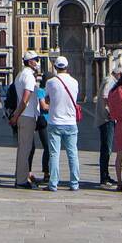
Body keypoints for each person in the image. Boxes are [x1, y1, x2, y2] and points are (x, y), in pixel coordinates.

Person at [41, 57, 81, 192]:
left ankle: (53, 184)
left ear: (55, 67)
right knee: (73, 154)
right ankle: (74, 183)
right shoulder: (75, 82)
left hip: (55, 122)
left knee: (54, 154)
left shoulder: (51, 82)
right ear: (67, 67)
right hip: (70, 122)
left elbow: (47, 98)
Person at [10, 52, 43, 188]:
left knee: (23, 148)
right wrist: (15, 116)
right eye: (36, 60)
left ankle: (20, 176)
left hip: (24, 116)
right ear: (30, 62)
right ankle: (21, 181)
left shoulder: (20, 75)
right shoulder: (29, 76)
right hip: (26, 116)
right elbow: (24, 100)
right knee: (25, 149)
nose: (38, 62)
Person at [96, 66, 122, 188]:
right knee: (107, 148)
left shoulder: (108, 79)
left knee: (106, 148)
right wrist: (111, 112)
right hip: (107, 119)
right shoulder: (110, 81)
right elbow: (106, 96)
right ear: (119, 74)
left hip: (105, 118)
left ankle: (105, 175)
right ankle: (104, 177)